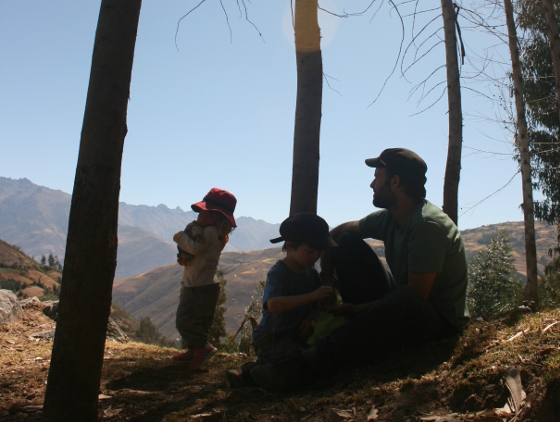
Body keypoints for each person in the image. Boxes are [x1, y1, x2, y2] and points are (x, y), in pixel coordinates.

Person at [250, 148, 468, 392]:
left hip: (436, 324)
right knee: (345, 242)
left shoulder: (426, 225)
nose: (372, 184)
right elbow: (336, 234)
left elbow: (415, 300)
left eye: (377, 177)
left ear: (395, 182)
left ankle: (305, 364)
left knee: (405, 297)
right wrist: (327, 280)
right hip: (400, 304)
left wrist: (355, 311)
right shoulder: (390, 218)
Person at [252, 213, 336, 363]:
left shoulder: (312, 273)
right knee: (296, 360)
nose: (315, 257)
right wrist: (311, 296)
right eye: (310, 251)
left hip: (297, 338)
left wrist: (312, 317)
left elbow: (319, 305)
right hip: (272, 338)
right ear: (290, 246)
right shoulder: (278, 272)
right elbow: (273, 304)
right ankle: (254, 371)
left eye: (319, 252)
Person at [172, 187, 237, 371]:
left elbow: (195, 248)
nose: (199, 215)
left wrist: (179, 237)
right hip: (206, 286)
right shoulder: (217, 234)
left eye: (203, 212)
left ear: (215, 216)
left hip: (198, 286)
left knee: (184, 320)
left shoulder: (209, 232)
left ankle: (202, 348)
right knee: (198, 322)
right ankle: (195, 351)